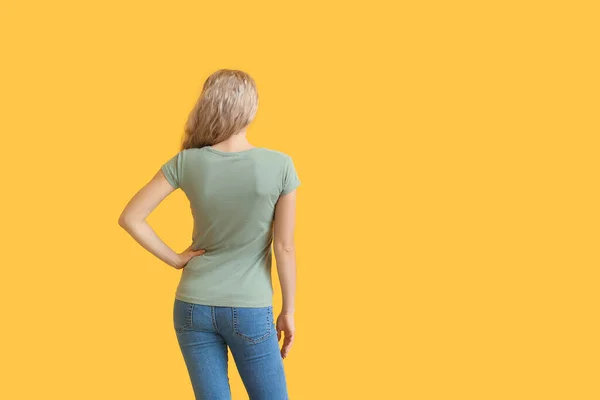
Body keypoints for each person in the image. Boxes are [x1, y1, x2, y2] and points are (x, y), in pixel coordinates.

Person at [118, 69, 299, 399]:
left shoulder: (186, 162)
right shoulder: (280, 166)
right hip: (250, 307)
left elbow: (131, 217)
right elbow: (284, 247)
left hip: (192, 305)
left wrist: (175, 259)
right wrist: (288, 311)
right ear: (251, 109)